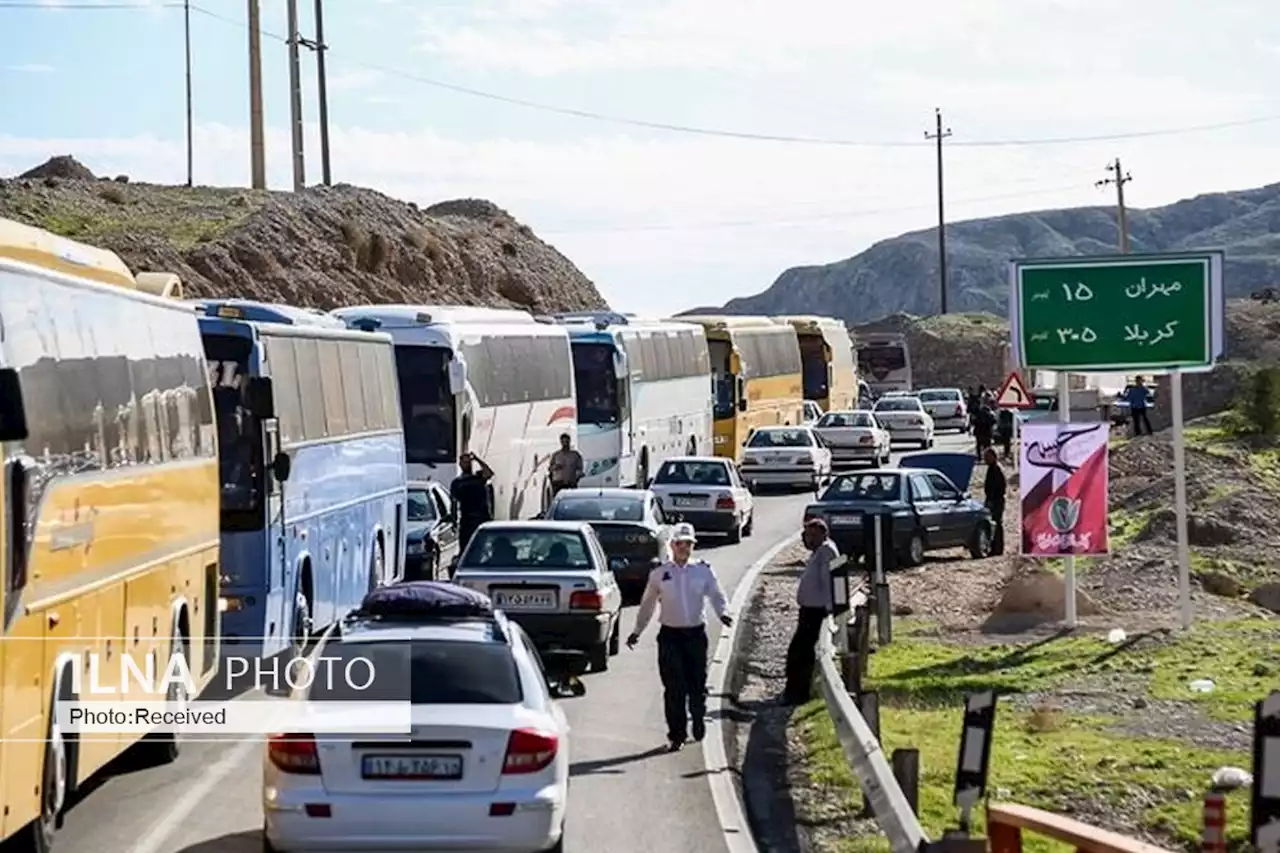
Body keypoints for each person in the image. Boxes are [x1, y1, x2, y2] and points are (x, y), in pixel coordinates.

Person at [626, 522, 732, 751]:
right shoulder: (660, 574)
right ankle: (677, 734)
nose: (685, 548)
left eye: (689, 544)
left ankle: (697, 715)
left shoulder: (702, 570)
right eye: (681, 543)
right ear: (672, 545)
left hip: (695, 635)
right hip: (670, 637)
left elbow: (716, 593)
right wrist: (637, 631)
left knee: (696, 684)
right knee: (674, 687)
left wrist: (724, 613)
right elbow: (648, 605)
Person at [783, 518, 842, 705]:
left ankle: (797, 694)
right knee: (800, 652)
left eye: (812, 535)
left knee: (799, 653)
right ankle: (795, 692)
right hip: (811, 610)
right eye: (807, 535)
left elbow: (828, 581)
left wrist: (829, 609)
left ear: (823, 534)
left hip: (816, 612)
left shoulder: (825, 551)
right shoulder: (821, 551)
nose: (808, 539)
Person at [450, 451, 494, 555]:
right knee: (466, 549)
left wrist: (477, 459)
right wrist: (453, 519)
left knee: (482, 547)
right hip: (467, 521)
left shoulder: (478, 477)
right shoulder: (457, 482)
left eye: (468, 462)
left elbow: (489, 473)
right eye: (464, 462)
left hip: (482, 519)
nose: (467, 464)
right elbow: (454, 502)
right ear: (460, 465)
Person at [983, 447, 1006, 556]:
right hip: (992, 500)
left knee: (996, 524)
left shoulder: (997, 469)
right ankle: (994, 547)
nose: (985, 460)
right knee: (993, 524)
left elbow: (999, 487)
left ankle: (998, 548)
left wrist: (992, 500)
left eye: (987, 457)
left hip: (996, 501)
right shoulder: (991, 468)